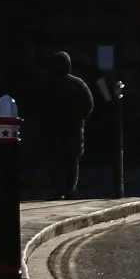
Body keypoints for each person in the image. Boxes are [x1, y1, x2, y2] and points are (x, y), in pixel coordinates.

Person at [41, 50, 96, 200]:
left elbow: (40, 105)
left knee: (55, 158)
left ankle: (57, 189)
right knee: (71, 159)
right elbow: (88, 105)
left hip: (54, 128)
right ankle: (69, 188)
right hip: (73, 128)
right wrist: (79, 118)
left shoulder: (48, 84)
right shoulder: (78, 84)